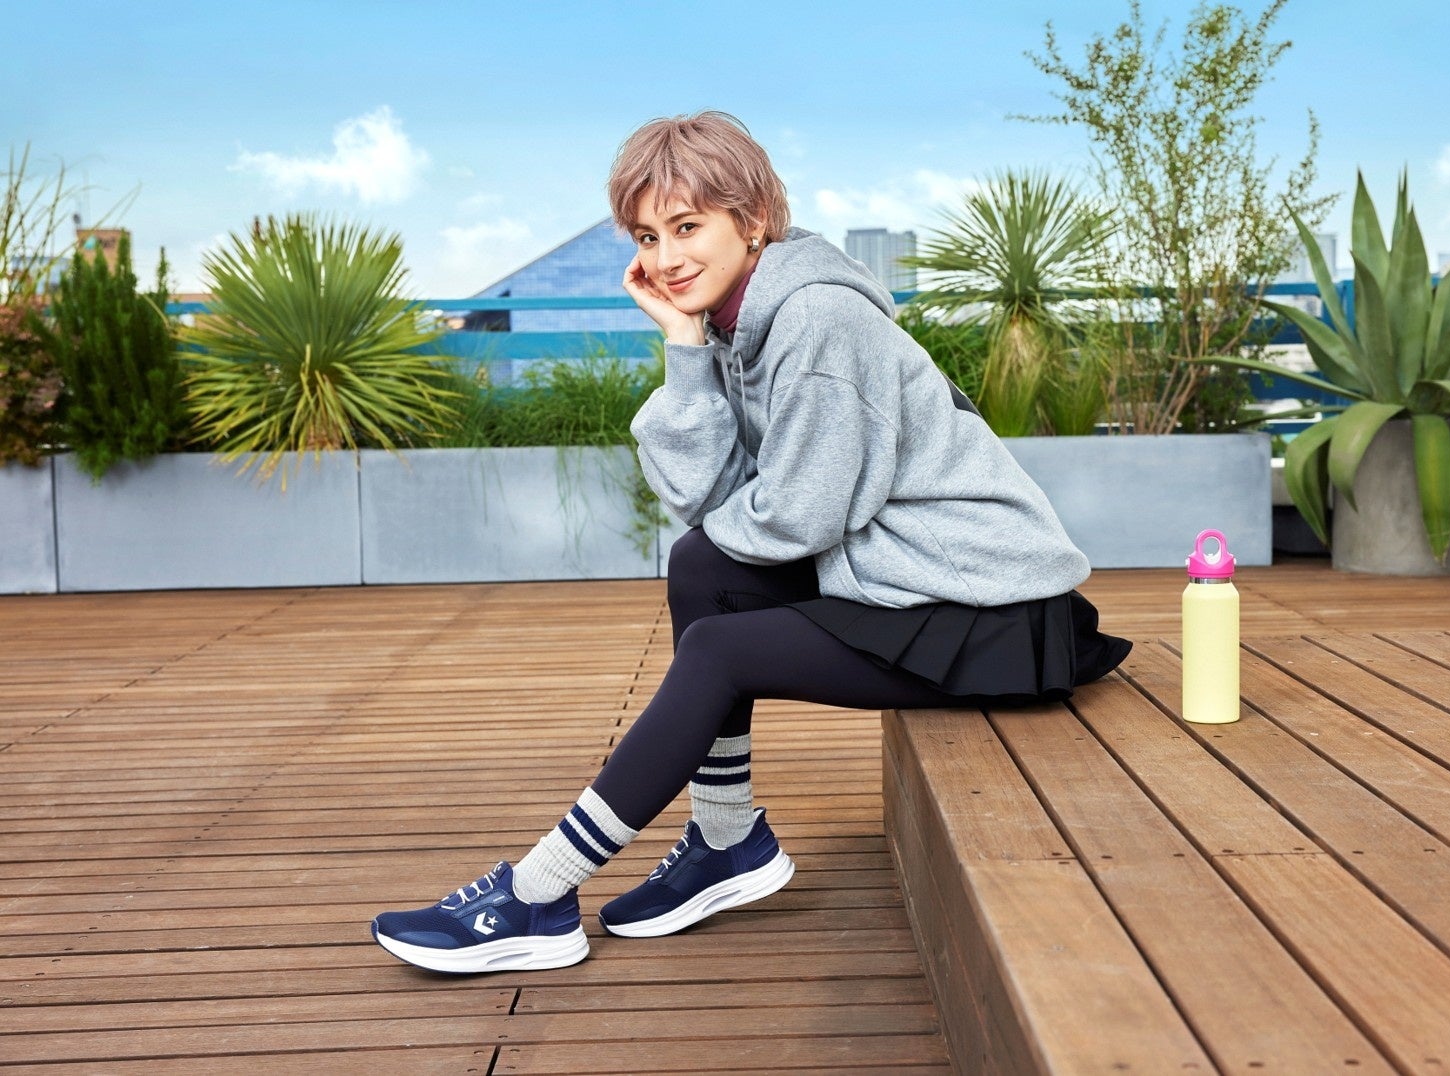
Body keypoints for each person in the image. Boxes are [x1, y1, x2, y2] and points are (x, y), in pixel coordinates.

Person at [371, 112, 1131, 974]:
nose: (665, 258)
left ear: (754, 220)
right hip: (913, 579)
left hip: (990, 614)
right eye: (647, 237)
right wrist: (684, 348)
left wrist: (735, 494)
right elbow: (720, 509)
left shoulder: (816, 320)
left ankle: (539, 893)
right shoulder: (743, 319)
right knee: (702, 567)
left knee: (721, 651)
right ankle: (726, 842)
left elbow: (797, 518)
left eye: (687, 227)